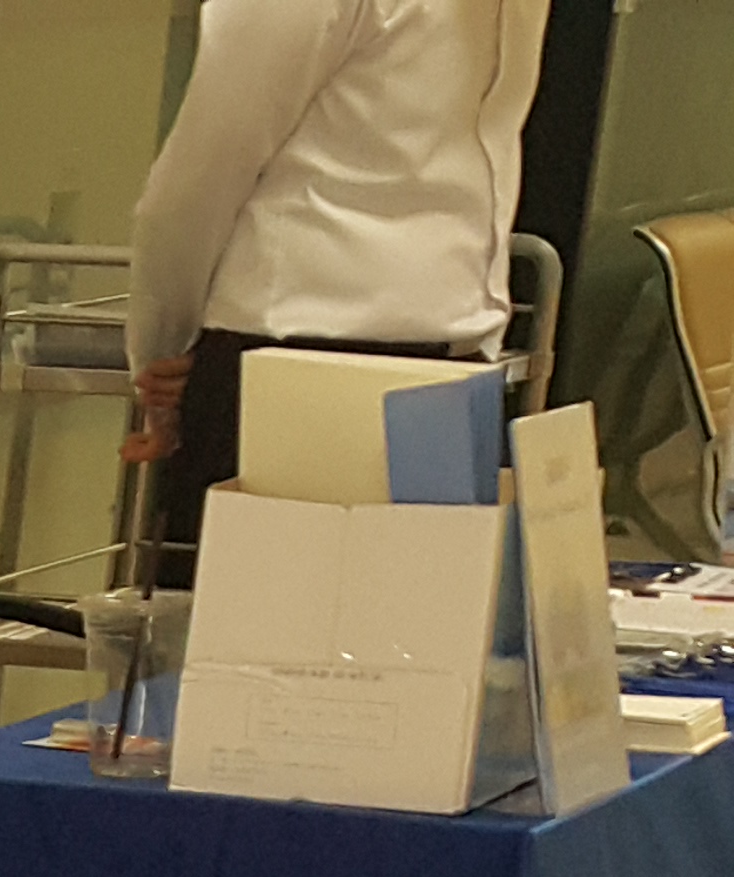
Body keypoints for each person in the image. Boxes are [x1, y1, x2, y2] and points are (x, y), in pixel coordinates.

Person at [120, 0, 548, 574]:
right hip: (291, 369)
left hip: (448, 374)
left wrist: (161, 355)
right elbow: (202, 176)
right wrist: (165, 357)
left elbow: (197, 182)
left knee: (421, 622)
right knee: (256, 618)